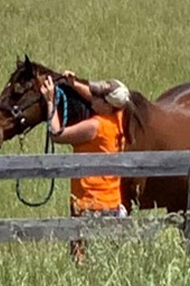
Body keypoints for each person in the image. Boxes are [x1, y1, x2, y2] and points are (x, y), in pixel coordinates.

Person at [39, 71, 130, 263]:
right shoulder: (118, 118)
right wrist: (74, 84)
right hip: (112, 202)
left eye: (98, 96)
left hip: (89, 202)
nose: (92, 98)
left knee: (80, 260)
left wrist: (50, 101)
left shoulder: (95, 127)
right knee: (106, 260)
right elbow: (95, 97)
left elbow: (56, 133)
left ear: (106, 105)